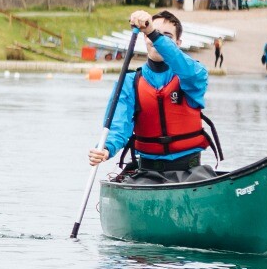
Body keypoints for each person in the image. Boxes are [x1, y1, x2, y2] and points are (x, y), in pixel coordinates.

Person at [88, 10, 216, 184]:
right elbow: (118, 127)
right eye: (153, 34)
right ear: (144, 39)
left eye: (167, 36)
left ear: (178, 43)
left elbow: (186, 68)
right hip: (148, 174)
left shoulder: (194, 75)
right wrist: (106, 149)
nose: (157, 40)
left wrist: (152, 33)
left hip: (191, 173)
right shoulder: (129, 82)